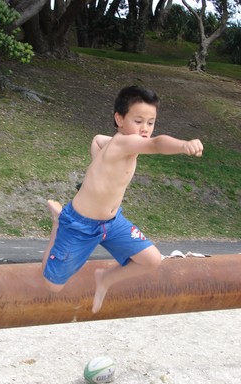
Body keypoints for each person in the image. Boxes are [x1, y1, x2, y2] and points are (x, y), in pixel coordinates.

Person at [42, 85, 203, 313]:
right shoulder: (126, 142)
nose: (145, 129)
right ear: (119, 118)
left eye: (151, 122)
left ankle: (106, 278)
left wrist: (98, 168)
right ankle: (58, 224)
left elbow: (97, 140)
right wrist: (183, 145)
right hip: (80, 225)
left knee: (152, 259)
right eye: (138, 121)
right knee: (52, 285)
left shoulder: (116, 143)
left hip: (112, 222)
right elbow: (156, 144)